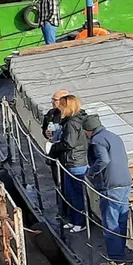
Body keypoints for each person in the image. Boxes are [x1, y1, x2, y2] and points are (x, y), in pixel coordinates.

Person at [84, 112, 131, 265]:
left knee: (110, 221)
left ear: (88, 130)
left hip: (110, 185)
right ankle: (121, 251)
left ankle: (116, 258)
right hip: (125, 182)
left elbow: (103, 160)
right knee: (121, 219)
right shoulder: (114, 136)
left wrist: (91, 172)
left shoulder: (97, 140)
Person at [48, 93, 90, 229]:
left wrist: (53, 147)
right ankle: (73, 220)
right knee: (70, 193)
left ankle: (80, 222)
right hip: (72, 161)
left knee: (76, 194)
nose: (59, 107)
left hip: (74, 162)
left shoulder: (71, 123)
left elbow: (69, 143)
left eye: (61, 105)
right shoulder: (73, 121)